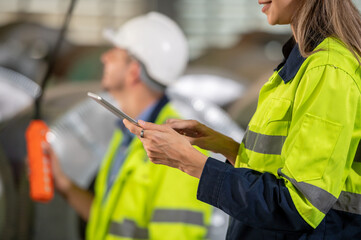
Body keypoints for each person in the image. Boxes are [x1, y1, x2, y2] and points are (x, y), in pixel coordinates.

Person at [124, 1, 361, 239]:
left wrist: (192, 162)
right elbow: (280, 172)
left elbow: (298, 206)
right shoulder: (302, 63)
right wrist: (223, 146)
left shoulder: (328, 70)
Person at [45, 12, 213, 240]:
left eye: (115, 52)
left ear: (134, 71)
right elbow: (106, 221)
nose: (105, 58)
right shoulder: (126, 134)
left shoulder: (178, 149)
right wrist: (65, 185)